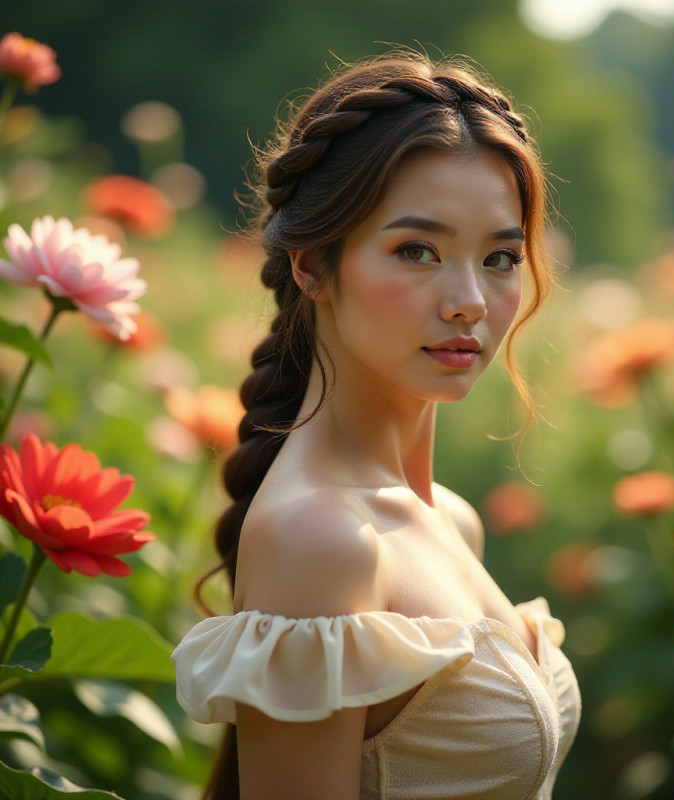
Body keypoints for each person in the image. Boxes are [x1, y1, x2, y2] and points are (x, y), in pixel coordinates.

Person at [172, 51, 581, 800]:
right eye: (416, 250)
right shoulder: (318, 538)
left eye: (498, 257)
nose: (468, 300)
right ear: (311, 266)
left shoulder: (449, 519)